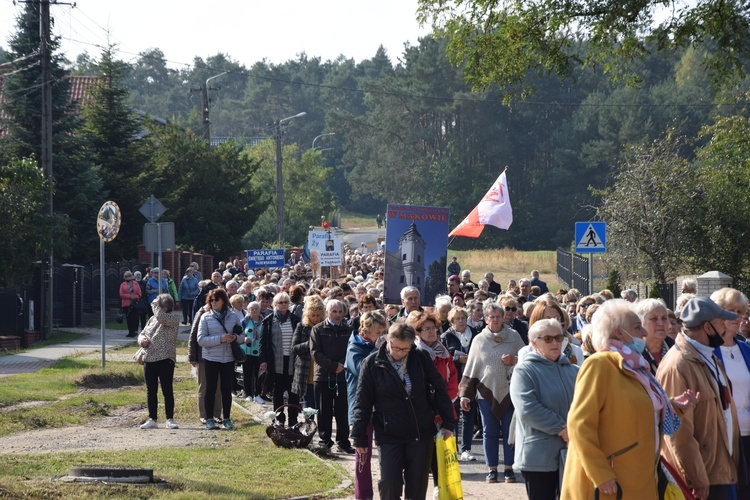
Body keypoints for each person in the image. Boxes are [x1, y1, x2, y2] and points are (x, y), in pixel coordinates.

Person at [562, 299, 698, 499]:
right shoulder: (600, 365)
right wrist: (600, 473)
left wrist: (672, 406)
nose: (644, 333)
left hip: (639, 479)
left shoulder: (635, 367)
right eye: (637, 327)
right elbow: (579, 425)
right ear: (618, 332)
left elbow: (635, 410)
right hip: (610, 484)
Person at [352, 322, 456, 500]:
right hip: (389, 433)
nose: (399, 353)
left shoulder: (421, 358)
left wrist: (448, 422)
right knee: (389, 485)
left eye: (405, 349)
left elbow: (440, 390)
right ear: (388, 341)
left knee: (416, 488)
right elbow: (362, 401)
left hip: (420, 432)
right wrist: (359, 436)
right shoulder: (372, 363)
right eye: (396, 348)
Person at [510, 319, 578, 499]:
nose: (555, 343)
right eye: (547, 339)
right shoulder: (524, 371)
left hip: (572, 452)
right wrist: (562, 429)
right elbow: (527, 408)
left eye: (558, 337)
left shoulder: (574, 370)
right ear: (533, 342)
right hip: (539, 458)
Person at [460, 301, 525, 484]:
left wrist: (515, 360)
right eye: (492, 317)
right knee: (489, 432)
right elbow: (471, 367)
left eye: (498, 316)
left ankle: (509, 469)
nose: (495, 320)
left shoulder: (514, 336)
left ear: (503, 317)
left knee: (509, 431)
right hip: (485, 393)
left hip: (510, 391)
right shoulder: (479, 340)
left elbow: (527, 359)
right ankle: (492, 470)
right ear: (486, 318)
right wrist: (465, 394)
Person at [411, 311, 459, 497]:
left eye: (434, 329)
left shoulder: (444, 353)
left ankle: (440, 489)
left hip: (442, 411)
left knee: (441, 453)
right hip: (421, 412)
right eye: (427, 329)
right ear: (418, 332)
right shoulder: (413, 353)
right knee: (423, 454)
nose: (432, 332)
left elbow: (452, 380)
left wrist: (444, 405)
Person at [711, 287, 750, 498]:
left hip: (747, 435)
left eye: (740, 311)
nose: (737, 316)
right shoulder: (709, 351)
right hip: (723, 438)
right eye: (730, 310)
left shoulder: (745, 350)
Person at [345, 310, 387, 500]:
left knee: (388, 455)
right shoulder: (354, 346)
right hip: (361, 410)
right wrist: (378, 352)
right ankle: (363, 497)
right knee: (363, 457)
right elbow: (363, 369)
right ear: (366, 330)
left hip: (382, 408)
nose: (382, 337)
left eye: (383, 333)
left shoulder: (380, 347)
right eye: (378, 332)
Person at [311, 299, 355, 453]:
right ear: (327, 312)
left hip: (343, 375)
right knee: (324, 410)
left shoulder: (349, 330)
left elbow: (351, 350)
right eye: (334, 311)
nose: (337, 315)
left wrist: (341, 365)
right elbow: (315, 352)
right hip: (323, 375)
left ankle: (343, 441)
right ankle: (325, 440)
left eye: (340, 312)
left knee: (343, 410)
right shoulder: (318, 329)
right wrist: (332, 366)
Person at [197, 288, 244, 430]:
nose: (213, 302)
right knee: (210, 388)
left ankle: (227, 418)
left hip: (228, 358)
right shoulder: (206, 317)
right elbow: (201, 340)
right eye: (211, 300)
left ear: (224, 300)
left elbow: (242, 336)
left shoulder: (233, 316)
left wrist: (235, 338)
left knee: (226, 389)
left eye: (216, 299)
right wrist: (220, 339)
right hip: (211, 358)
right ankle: (209, 418)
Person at [442, 306, 479, 461]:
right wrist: (457, 359)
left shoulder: (476, 334)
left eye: (463, 318)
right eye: (457, 318)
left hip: (472, 380)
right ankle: (454, 449)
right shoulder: (446, 336)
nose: (461, 321)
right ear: (451, 321)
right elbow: (443, 357)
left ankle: (466, 449)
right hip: (454, 380)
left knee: (469, 414)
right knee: (454, 415)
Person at [138, 294, 181, 430]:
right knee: (151, 390)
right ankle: (152, 418)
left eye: (157, 306)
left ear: (164, 308)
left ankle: (170, 418)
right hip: (149, 358)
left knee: (167, 389)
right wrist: (142, 340)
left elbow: (161, 318)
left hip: (165, 359)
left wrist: (155, 304)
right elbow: (142, 333)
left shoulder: (173, 318)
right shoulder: (152, 319)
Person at [259, 292, 300, 426]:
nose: (283, 305)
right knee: (278, 392)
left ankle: (293, 420)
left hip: (293, 361)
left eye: (286, 302)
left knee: (293, 392)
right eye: (281, 302)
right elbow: (263, 342)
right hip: (276, 361)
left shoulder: (295, 319)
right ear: (275, 304)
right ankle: (280, 419)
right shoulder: (269, 320)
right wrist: (263, 360)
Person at [292, 295, 325, 411]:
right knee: (308, 406)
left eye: (318, 316)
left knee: (321, 405)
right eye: (313, 315)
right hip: (306, 372)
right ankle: (309, 428)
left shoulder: (325, 328)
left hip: (322, 372)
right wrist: (309, 344)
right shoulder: (302, 327)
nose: (316, 318)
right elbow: (294, 348)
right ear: (308, 314)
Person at [636, 298, 674, 375]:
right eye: (654, 319)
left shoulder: (677, 349)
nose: (660, 323)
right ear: (641, 323)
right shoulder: (633, 354)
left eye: (664, 318)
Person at [240, 301, 264, 403]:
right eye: (252, 309)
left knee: (259, 374)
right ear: (249, 311)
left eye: (256, 308)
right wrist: (244, 338)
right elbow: (239, 334)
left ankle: (257, 394)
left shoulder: (264, 321)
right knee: (247, 374)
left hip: (259, 352)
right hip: (247, 351)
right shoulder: (244, 321)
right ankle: (248, 393)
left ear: (259, 310)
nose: (254, 310)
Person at [119, 271, 142, 338]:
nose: (128, 277)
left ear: (131, 276)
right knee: (129, 318)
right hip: (126, 304)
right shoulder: (122, 285)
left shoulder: (136, 284)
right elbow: (121, 294)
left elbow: (139, 293)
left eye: (129, 275)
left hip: (135, 303)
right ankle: (130, 332)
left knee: (135, 318)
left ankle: (134, 331)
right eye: (126, 276)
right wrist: (129, 296)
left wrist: (134, 297)